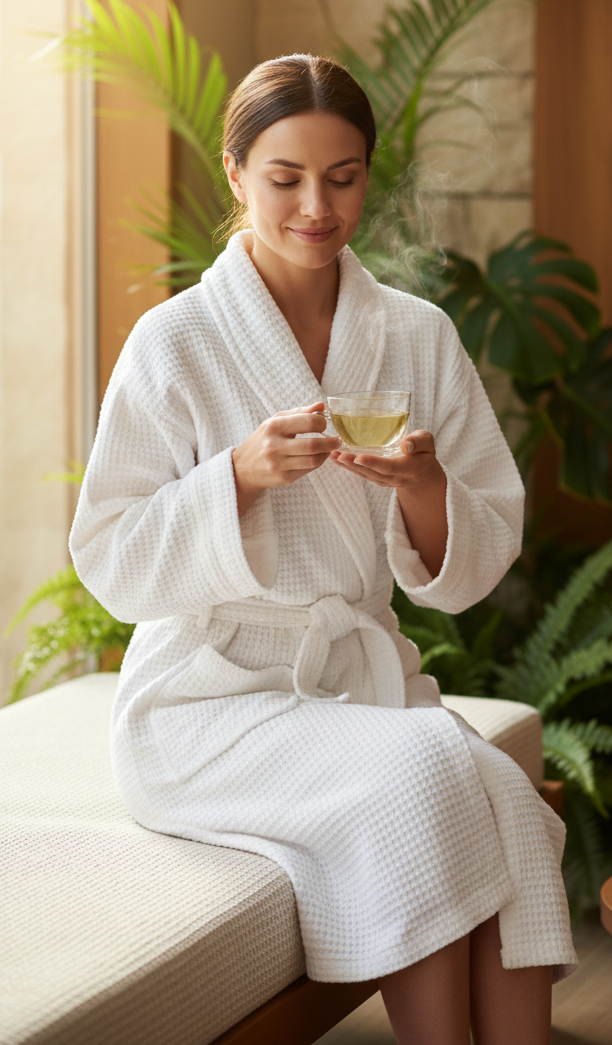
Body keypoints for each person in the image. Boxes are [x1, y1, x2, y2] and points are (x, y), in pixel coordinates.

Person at [70, 54, 577, 1045]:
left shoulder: (414, 335)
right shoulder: (175, 341)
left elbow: (482, 545)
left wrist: (426, 489)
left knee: (508, 804)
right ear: (233, 174)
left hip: (349, 690)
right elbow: (110, 557)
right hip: (206, 705)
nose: (317, 205)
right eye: (285, 178)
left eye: (342, 178)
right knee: (425, 773)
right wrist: (237, 479)